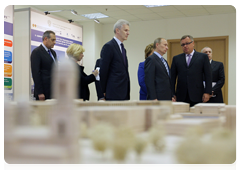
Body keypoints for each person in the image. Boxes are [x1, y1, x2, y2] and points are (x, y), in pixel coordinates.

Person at [171, 35, 212, 107]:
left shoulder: (202, 57)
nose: (185, 46)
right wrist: (172, 94)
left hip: (197, 94)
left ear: (193, 43)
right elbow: (172, 78)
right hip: (181, 95)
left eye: (187, 43)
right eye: (183, 44)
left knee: (196, 117)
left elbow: (208, 75)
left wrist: (207, 92)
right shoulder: (176, 59)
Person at [100, 19, 130, 100]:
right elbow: (103, 70)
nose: (128, 33)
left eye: (128, 31)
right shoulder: (109, 46)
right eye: (126, 30)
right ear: (117, 30)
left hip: (124, 92)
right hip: (113, 92)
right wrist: (102, 92)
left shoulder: (123, 49)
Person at [31, 30, 57, 100]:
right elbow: (36, 73)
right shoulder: (37, 52)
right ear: (46, 39)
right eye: (53, 40)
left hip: (53, 91)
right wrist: (40, 92)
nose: (54, 42)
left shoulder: (53, 53)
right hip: (43, 92)